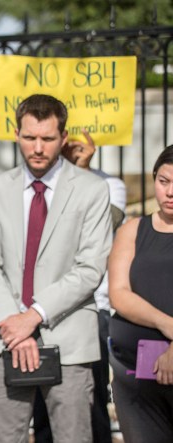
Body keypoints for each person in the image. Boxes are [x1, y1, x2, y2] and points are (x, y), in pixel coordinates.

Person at [0, 94, 113, 443]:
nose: (38, 147)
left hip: (69, 337)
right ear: (16, 134)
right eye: (29, 137)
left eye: (48, 139)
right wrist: (14, 321)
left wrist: (32, 315)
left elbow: (90, 268)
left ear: (63, 138)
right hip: (4, 336)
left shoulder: (92, 190)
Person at [32, 129, 126, 443]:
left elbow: (101, 229)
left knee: (92, 398)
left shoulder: (109, 185)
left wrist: (81, 172)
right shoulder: (35, 185)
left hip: (89, 309)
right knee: (43, 403)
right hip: (39, 309)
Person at [107, 145, 173, 442]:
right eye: (164, 181)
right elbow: (119, 293)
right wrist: (166, 323)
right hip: (136, 375)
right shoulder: (133, 229)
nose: (170, 192)